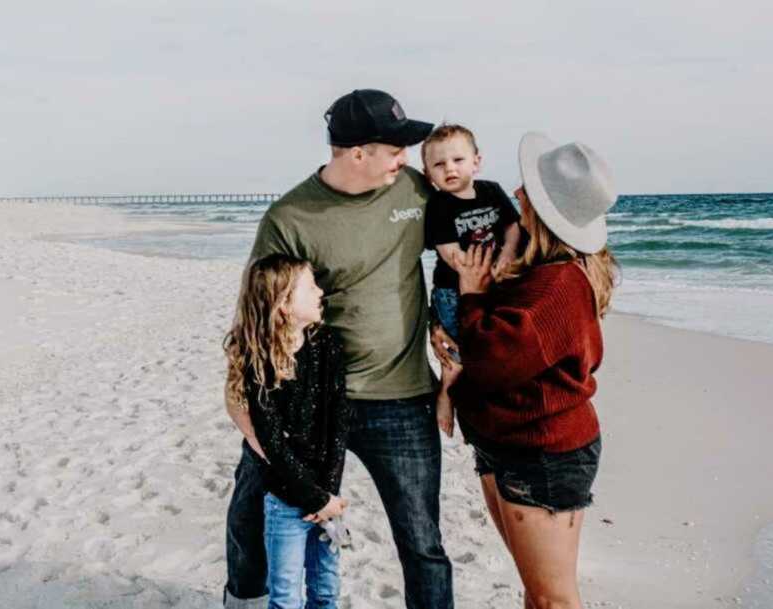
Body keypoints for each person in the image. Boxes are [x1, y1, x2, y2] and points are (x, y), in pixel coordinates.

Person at [225, 89, 453, 609]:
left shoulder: (414, 193)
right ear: (356, 153)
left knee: (422, 540)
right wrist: (244, 405)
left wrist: (451, 332)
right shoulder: (292, 217)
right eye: (395, 147)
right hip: (308, 399)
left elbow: (467, 245)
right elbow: (258, 318)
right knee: (251, 511)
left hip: (402, 396)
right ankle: (242, 601)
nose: (405, 157)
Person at [448, 133, 620, 609]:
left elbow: (491, 359)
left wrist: (473, 293)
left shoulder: (556, 285)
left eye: (529, 190)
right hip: (511, 441)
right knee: (537, 592)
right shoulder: (539, 266)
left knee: (552, 598)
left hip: (542, 452)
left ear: (544, 212)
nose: (517, 194)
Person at [223, 254, 351, 609]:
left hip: (326, 492)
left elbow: (339, 420)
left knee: (326, 589)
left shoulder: (327, 345)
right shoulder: (259, 362)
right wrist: (312, 497)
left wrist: (328, 493)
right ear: (283, 305)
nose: (320, 292)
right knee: (285, 596)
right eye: (310, 287)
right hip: (284, 496)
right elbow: (270, 441)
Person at [421, 123, 520, 437]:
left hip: (492, 284)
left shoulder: (491, 190)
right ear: (428, 174)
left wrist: (506, 255)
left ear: (476, 161)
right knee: (457, 353)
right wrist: (475, 271)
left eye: (458, 160)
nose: (449, 168)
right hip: (453, 290)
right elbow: (450, 251)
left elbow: (513, 228)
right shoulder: (439, 205)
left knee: (489, 350)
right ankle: (446, 394)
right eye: (439, 164)